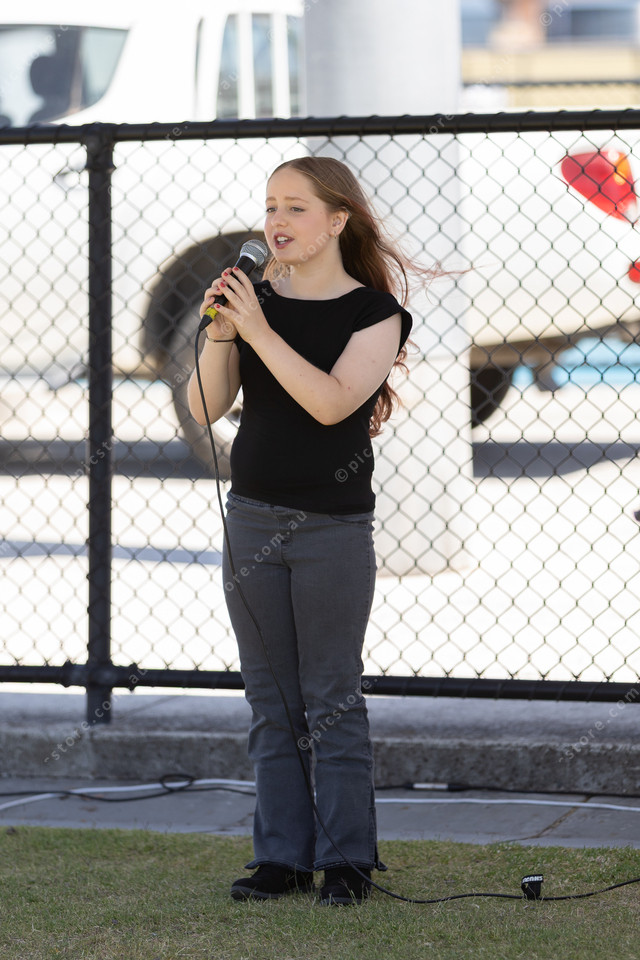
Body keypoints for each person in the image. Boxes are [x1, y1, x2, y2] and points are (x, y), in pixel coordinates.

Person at [188, 156, 413, 906]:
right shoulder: (254, 304)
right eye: (270, 207)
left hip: (331, 530)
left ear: (338, 220)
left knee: (331, 696)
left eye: (295, 208)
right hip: (252, 520)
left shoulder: (374, 314)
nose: (276, 222)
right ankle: (280, 858)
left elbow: (331, 403)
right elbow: (204, 408)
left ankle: (348, 860)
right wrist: (225, 333)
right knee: (271, 698)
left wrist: (259, 328)